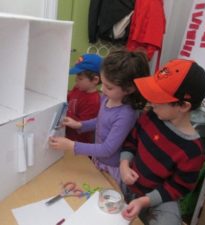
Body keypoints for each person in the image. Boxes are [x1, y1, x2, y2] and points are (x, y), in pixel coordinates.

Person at [119, 59, 205, 225]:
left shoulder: (193, 151)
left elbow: (177, 188)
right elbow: (131, 142)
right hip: (130, 184)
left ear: (183, 106)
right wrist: (124, 164)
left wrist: (144, 201)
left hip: (158, 199)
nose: (150, 102)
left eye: (157, 98)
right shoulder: (150, 117)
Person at [49, 48, 150, 183]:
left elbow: (107, 149)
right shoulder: (108, 98)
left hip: (112, 168)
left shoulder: (126, 115)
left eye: (109, 87)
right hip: (98, 160)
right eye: (103, 84)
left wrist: (71, 145)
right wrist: (80, 124)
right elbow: (101, 120)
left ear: (129, 89)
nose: (102, 89)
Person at [66, 53, 102, 143]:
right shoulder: (77, 88)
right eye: (76, 76)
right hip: (66, 135)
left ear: (95, 80)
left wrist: (64, 115)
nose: (76, 80)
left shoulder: (94, 101)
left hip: (78, 142)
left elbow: (81, 125)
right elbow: (67, 100)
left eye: (80, 78)